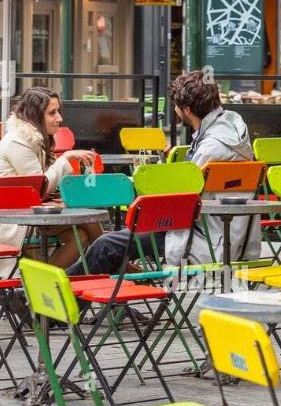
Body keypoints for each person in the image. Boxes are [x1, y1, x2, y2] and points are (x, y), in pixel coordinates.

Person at [68, 70, 261, 274]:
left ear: (185, 109)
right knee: (113, 245)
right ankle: (115, 301)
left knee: (106, 245)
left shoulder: (212, 147)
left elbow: (180, 196)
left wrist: (151, 184)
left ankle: (57, 300)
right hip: (227, 234)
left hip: (199, 238)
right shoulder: (233, 130)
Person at [0, 87, 103, 269]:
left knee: (80, 235)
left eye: (58, 111)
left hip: (30, 211)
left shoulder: (35, 139)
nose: (59, 118)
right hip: (9, 218)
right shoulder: (18, 142)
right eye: (52, 113)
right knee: (89, 219)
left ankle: (39, 286)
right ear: (35, 116)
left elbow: (42, 189)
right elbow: (41, 187)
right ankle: (118, 259)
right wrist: (66, 158)